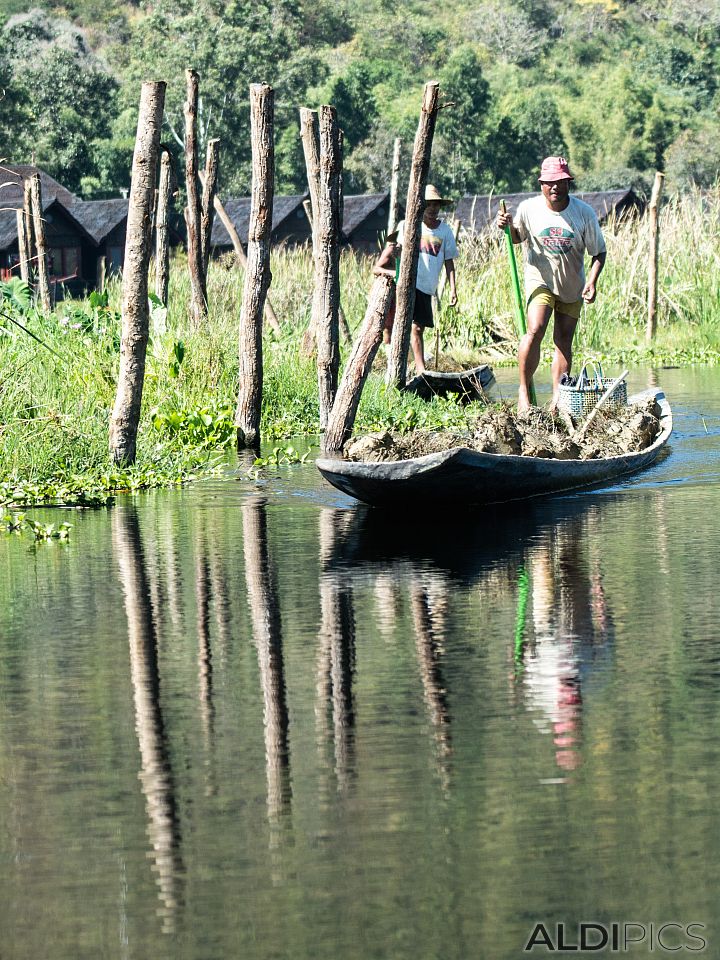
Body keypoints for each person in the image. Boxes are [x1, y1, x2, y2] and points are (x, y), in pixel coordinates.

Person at [496, 156, 606, 412]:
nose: (554, 187)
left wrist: (591, 282)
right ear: (541, 185)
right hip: (540, 281)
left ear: (569, 184)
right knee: (535, 329)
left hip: (572, 286)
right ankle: (524, 392)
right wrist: (507, 226)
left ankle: (558, 400)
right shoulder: (528, 209)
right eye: (549, 183)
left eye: (560, 182)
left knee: (563, 341)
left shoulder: (583, 213)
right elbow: (516, 238)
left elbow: (599, 252)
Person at [388, 185, 458, 374]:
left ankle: (416, 363)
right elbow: (398, 251)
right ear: (420, 206)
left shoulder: (445, 231)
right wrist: (395, 253)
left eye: (436, 205)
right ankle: (420, 368)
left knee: (419, 328)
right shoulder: (408, 225)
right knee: (413, 328)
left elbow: (449, 262)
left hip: (428, 287)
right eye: (428, 204)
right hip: (410, 282)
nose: (432, 209)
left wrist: (453, 289)